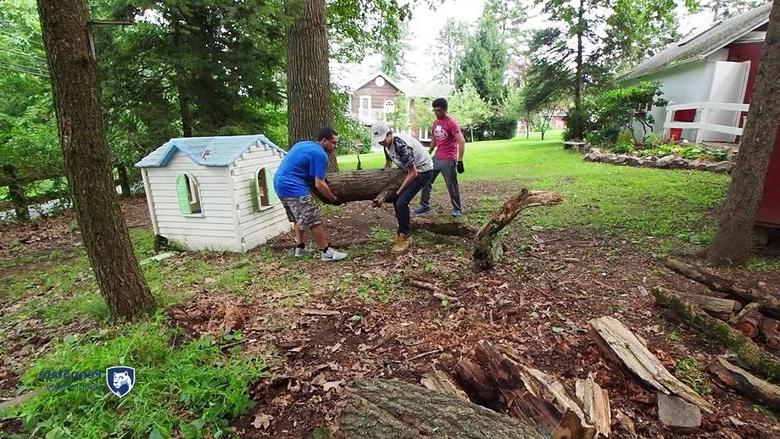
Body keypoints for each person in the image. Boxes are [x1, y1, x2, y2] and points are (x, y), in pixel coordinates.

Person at [273, 127, 347, 262]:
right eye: (333, 143)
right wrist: (333, 199)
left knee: (297, 218)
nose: (335, 146)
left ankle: (300, 248)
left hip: (279, 184)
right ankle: (326, 252)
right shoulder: (320, 154)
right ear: (324, 141)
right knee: (314, 220)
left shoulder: (302, 144)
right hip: (292, 187)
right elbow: (319, 183)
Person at [371, 121, 434, 253]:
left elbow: (413, 173)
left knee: (401, 201)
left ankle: (404, 236)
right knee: (397, 201)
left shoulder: (400, 145)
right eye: (380, 141)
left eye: (383, 140)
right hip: (411, 170)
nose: (382, 143)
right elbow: (389, 162)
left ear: (390, 134)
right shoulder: (386, 145)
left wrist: (398, 191)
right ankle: (401, 231)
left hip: (423, 171)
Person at [415, 97, 466, 217]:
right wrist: (428, 154)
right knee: (426, 180)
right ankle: (424, 205)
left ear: (445, 110)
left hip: (449, 159)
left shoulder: (451, 123)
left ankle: (457, 209)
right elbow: (434, 140)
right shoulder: (436, 122)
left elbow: (462, 141)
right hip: (436, 158)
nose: (436, 113)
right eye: (435, 110)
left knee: (451, 185)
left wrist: (460, 161)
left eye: (438, 110)